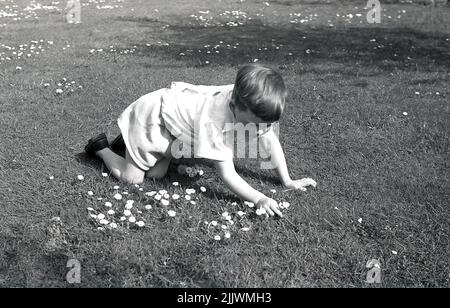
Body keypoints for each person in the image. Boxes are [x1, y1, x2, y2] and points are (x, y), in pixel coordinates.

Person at [85, 64, 316, 217]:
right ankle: (101, 147)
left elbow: (269, 141)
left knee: (156, 175)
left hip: (173, 123)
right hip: (151, 116)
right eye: (254, 126)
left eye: (265, 125)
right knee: (133, 179)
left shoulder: (248, 103)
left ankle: (127, 145)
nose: (259, 132)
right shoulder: (215, 124)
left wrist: (287, 181)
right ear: (234, 107)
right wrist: (259, 198)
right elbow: (228, 174)